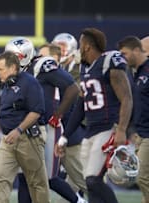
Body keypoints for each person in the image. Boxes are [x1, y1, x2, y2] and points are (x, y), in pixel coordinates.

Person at [55, 28, 133, 203]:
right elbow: (81, 106)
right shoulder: (85, 68)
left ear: (87, 46)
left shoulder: (109, 62)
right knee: (89, 184)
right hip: (90, 130)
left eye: (81, 44)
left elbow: (127, 98)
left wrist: (121, 130)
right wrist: (65, 136)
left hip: (107, 127)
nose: (79, 49)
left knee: (93, 179)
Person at [6, 37, 84, 203]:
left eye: (13, 56)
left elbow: (72, 88)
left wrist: (58, 114)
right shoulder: (16, 74)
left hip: (47, 127)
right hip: (26, 129)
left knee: (49, 177)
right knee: (24, 177)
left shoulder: (42, 65)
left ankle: (80, 201)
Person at [0, 51, 50, 203]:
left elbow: (37, 111)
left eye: (1, 69)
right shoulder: (7, 85)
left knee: (37, 182)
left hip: (27, 138)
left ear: (12, 68)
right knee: (0, 179)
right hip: (8, 140)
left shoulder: (29, 82)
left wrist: (19, 130)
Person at [51, 33, 88, 202]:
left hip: (77, 127)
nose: (59, 51)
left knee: (83, 177)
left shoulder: (81, 68)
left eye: (62, 48)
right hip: (60, 127)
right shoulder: (55, 68)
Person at [117, 35, 149, 203]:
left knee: (142, 176)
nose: (123, 58)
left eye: (125, 53)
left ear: (137, 50)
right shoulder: (135, 72)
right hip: (140, 132)